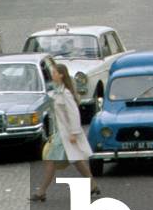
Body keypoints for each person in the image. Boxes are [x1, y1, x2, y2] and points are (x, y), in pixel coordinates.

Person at [29, 61, 100, 202]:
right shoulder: (56, 91)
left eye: (55, 73)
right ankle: (93, 184)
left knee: (51, 160)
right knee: (76, 160)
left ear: (61, 75)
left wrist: (73, 133)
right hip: (60, 134)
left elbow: (74, 114)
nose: (52, 75)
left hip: (66, 134)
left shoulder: (65, 93)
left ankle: (41, 192)